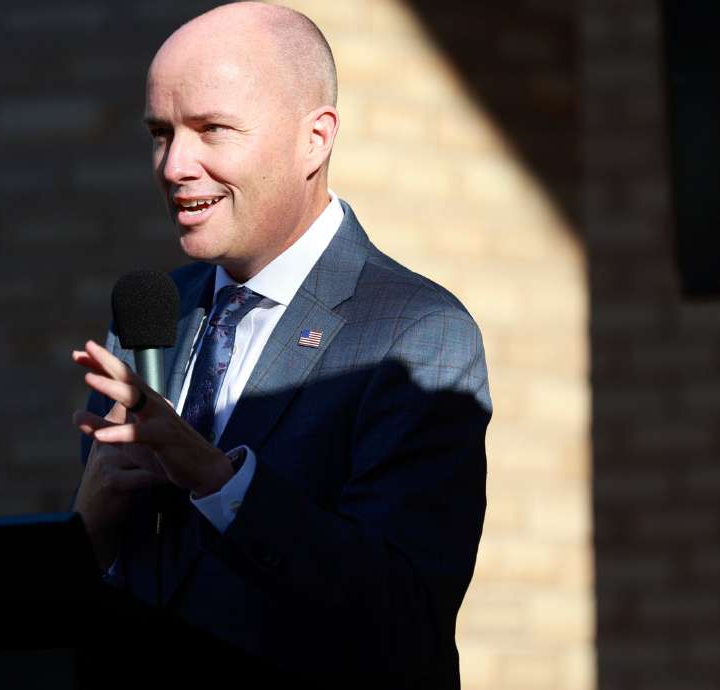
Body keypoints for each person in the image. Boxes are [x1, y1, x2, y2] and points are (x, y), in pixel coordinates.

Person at [70, 2, 491, 687]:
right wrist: (91, 531)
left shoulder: (414, 334)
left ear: (314, 139)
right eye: (160, 132)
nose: (176, 165)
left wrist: (217, 480)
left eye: (212, 130)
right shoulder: (151, 317)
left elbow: (404, 616)